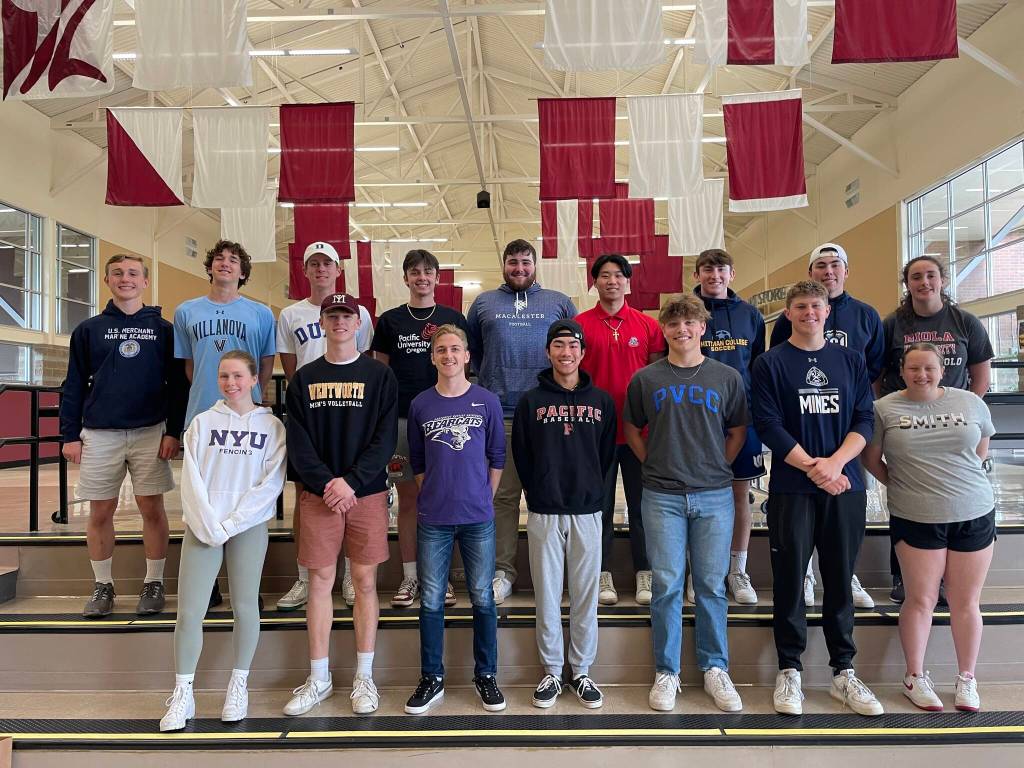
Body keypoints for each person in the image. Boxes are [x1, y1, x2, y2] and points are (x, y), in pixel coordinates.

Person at [752, 280, 882, 717]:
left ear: (828, 312)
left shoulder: (850, 360)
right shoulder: (771, 363)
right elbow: (768, 424)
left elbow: (865, 418)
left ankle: (843, 671)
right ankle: (790, 669)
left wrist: (836, 464)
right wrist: (815, 467)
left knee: (839, 579)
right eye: (801, 306)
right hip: (793, 489)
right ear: (788, 313)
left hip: (844, 487)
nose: (810, 312)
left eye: (816, 306)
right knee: (789, 580)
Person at [624, 295, 748, 713]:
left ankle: (715, 668)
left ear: (702, 328)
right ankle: (667, 671)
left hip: (714, 495)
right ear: (666, 331)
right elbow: (632, 428)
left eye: (690, 324)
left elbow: (737, 430)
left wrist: (717, 466)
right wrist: (654, 462)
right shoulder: (647, 379)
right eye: (674, 325)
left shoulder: (726, 377)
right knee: (667, 585)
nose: (682, 331)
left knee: (712, 587)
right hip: (662, 496)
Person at [862, 343, 995, 713]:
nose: (922, 374)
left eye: (929, 368)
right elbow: (872, 459)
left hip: (974, 511)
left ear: (943, 370)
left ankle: (967, 677)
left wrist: (956, 486)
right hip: (916, 516)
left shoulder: (970, 402)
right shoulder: (884, 409)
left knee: (965, 601)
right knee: (920, 600)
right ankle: (914, 677)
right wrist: (909, 486)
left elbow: (979, 450)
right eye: (914, 368)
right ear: (901, 372)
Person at [283, 292, 398, 716]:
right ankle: (319, 678)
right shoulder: (305, 378)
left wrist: (350, 482)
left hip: (364, 493)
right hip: (319, 496)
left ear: (359, 323)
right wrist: (328, 483)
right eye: (332, 315)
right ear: (323, 322)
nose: (340, 322)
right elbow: (299, 442)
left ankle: (363, 677)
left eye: (347, 315)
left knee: (365, 583)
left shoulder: (379, 377)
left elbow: (384, 439)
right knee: (320, 582)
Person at [159, 351, 286, 732]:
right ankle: (183, 692)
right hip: (204, 526)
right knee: (189, 612)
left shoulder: (272, 427)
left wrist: (232, 522)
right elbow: (192, 480)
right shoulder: (201, 422)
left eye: (237, 376)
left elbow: (271, 484)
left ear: (253, 379)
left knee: (245, 606)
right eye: (224, 377)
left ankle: (238, 685)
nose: (231, 383)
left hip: (246, 525)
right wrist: (210, 524)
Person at [60, 254, 187, 619]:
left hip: (151, 431)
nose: (125, 278)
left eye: (133, 273)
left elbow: (177, 386)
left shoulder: (163, 330)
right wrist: (70, 434)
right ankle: (103, 586)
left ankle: (154, 582)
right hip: (100, 434)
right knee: (101, 510)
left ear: (145, 282)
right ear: (107, 280)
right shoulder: (89, 329)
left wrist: (174, 431)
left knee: (152, 508)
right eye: (118, 273)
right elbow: (73, 385)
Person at [771, 243, 884, 610]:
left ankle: (844, 575)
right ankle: (803, 572)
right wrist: (815, 466)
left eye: (836, 264)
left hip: (845, 457)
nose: (829, 270)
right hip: (796, 469)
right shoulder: (777, 354)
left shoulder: (865, 319)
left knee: (839, 559)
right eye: (821, 265)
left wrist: (836, 463)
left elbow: (871, 385)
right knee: (791, 564)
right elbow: (773, 413)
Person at [466, 239, 576, 604]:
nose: (519, 268)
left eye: (525, 262)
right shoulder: (483, 303)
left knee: (551, 495)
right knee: (504, 498)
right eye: (513, 262)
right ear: (503, 265)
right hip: (501, 414)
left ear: (535, 265)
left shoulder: (558, 301)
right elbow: (476, 353)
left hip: (548, 413)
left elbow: (570, 349)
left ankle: (555, 571)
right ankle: (503, 571)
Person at [403, 325, 506, 715]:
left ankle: (486, 676)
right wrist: (435, 492)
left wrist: (484, 495)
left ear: (467, 356)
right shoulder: (421, 405)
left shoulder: (486, 401)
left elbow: (497, 456)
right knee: (430, 600)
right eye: (441, 350)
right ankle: (432, 678)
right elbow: (417, 460)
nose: (448, 355)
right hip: (434, 519)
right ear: (433, 357)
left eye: (455, 349)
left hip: (478, 517)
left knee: (482, 598)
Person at [513, 320, 616, 709]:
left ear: (582, 352)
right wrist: (538, 491)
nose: (566, 352)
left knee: (586, 596)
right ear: (548, 352)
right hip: (544, 512)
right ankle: (553, 672)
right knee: (548, 596)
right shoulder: (530, 402)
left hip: (587, 511)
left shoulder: (602, 402)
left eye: (573, 346)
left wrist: (592, 493)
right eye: (558, 345)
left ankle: (583, 670)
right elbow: (522, 454)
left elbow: (606, 457)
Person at [879, 255, 993, 603]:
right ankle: (904, 576)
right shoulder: (892, 324)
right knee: (909, 503)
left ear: (942, 279)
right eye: (916, 277)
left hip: (953, 424)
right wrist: (886, 416)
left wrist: (959, 411)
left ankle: (948, 581)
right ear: (907, 283)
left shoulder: (965, 322)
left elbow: (982, 376)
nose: (924, 282)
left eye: (930, 275)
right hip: (906, 423)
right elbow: (877, 376)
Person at [276, 241, 374, 612]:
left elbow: (361, 358)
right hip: (312, 415)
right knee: (308, 498)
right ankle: (307, 577)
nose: (320, 269)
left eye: (326, 264)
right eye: (313, 264)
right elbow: (290, 368)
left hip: (351, 413)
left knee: (353, 492)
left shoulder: (358, 311)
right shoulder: (291, 315)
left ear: (338, 270)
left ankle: (349, 573)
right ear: (304, 270)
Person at [371, 249, 469, 610]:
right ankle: (411, 575)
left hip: (444, 420)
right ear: (405, 278)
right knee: (409, 500)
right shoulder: (391, 321)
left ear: (438, 277)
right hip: (400, 422)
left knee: (443, 497)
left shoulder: (452, 317)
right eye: (415, 272)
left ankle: (440, 578)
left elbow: (462, 370)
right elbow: (380, 374)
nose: (422, 277)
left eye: (428, 271)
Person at [576, 254, 664, 607]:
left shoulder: (647, 325)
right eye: (604, 276)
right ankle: (600, 574)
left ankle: (646, 571)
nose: (612, 281)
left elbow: (658, 379)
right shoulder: (579, 324)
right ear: (595, 282)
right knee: (597, 508)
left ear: (628, 282)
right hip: (595, 432)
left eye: (618, 275)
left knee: (644, 507)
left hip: (638, 434)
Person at [692, 249, 766, 606]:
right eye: (707, 269)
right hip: (696, 421)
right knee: (694, 497)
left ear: (731, 274)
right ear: (698, 274)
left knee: (739, 497)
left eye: (720, 269)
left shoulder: (750, 315)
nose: (714, 275)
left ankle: (737, 570)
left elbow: (758, 366)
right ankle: (699, 571)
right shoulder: (686, 312)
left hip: (742, 420)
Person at [173, 240, 276, 428]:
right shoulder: (185, 311)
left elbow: (265, 364)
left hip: (246, 410)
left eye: (233, 260)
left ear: (242, 272)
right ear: (210, 268)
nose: (225, 263)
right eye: (219, 258)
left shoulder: (262, 313)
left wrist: (251, 396)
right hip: (202, 409)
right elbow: (189, 365)